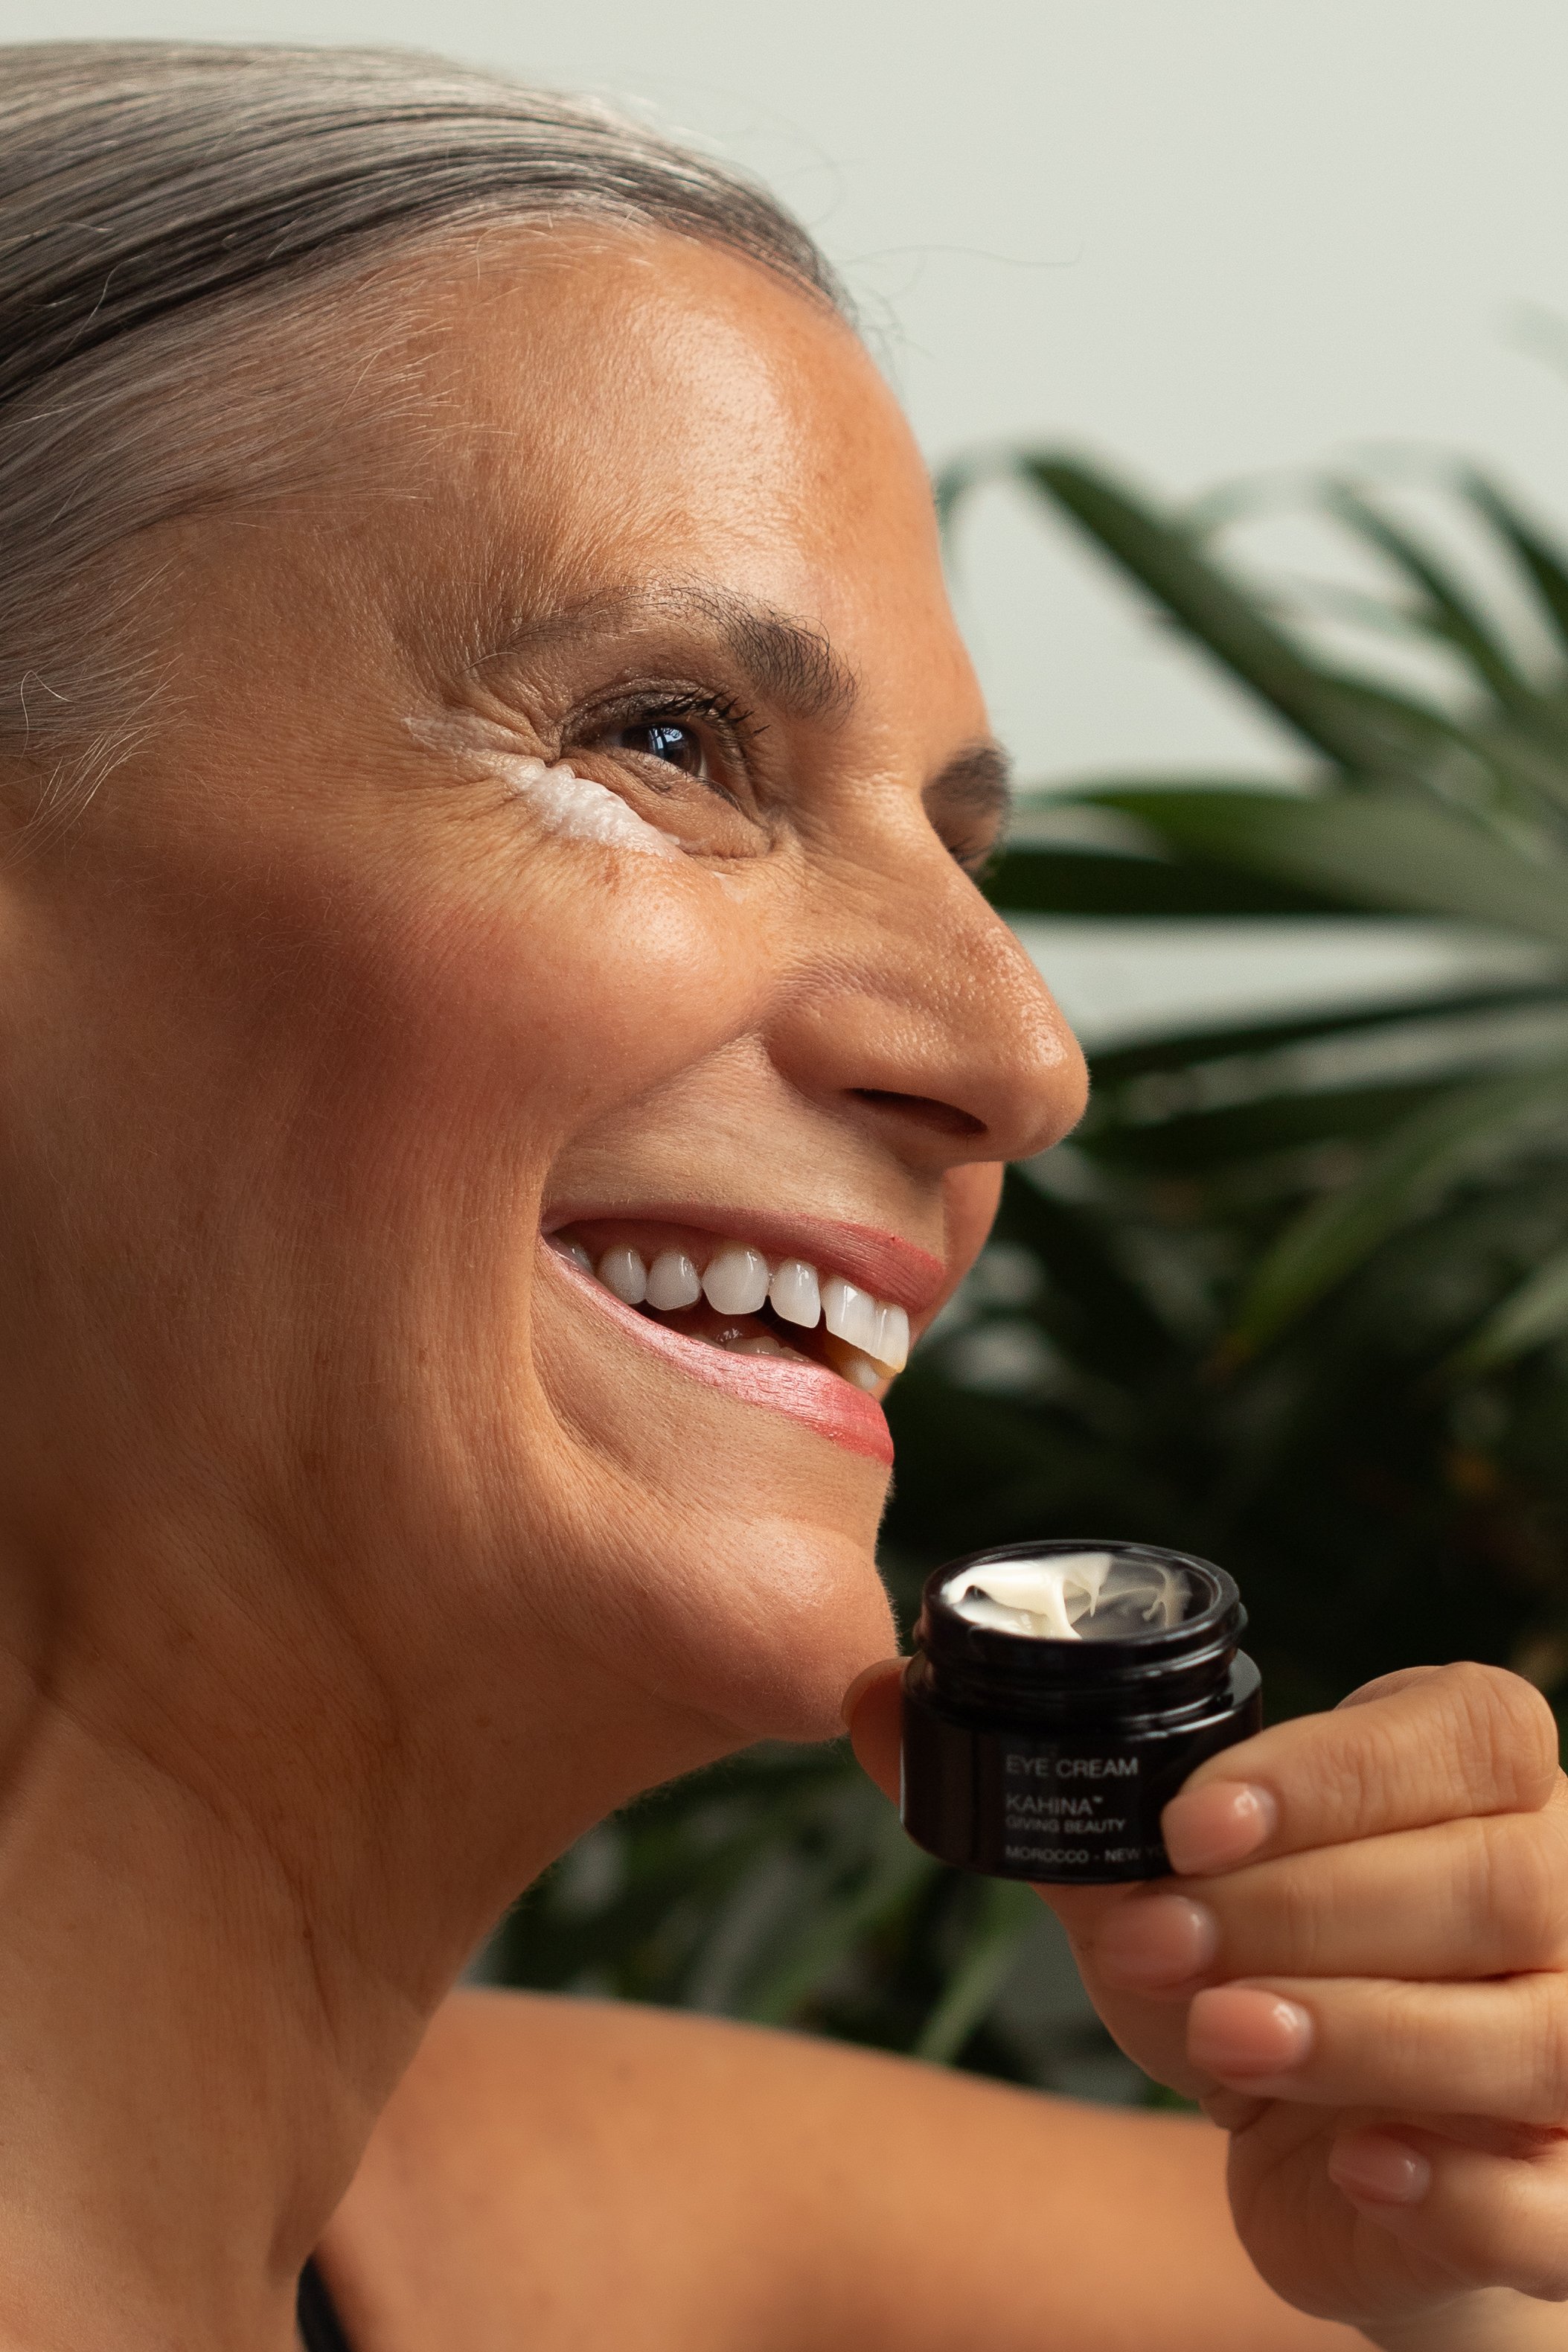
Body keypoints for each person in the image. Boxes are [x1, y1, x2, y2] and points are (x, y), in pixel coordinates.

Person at [1, 42, 1564, 2352]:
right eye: (663, 740)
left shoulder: (606, 2248)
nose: (1025, 1062)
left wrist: (1462, 2261)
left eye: (957, 844)